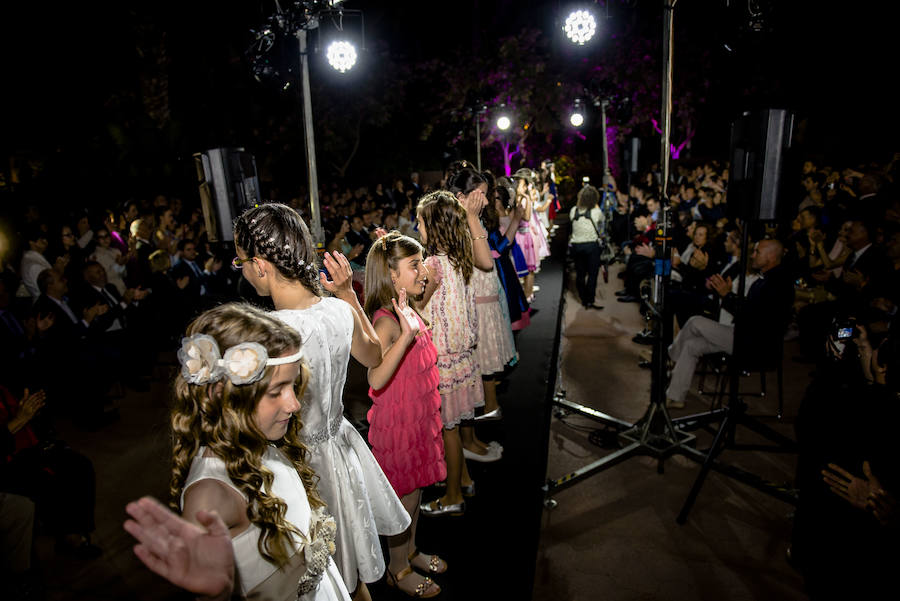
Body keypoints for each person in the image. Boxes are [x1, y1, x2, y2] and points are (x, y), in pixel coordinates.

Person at [232, 203, 409, 600]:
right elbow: (374, 357)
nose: (241, 269)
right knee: (347, 566)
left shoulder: (270, 334)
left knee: (322, 573)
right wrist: (348, 294)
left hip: (299, 467)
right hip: (340, 450)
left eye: (240, 260)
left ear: (261, 265)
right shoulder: (336, 310)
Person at [129, 302, 348, 601]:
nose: (294, 404)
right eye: (276, 391)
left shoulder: (262, 443)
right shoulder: (210, 496)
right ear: (222, 393)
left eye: (293, 386)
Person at [363, 231, 447, 598]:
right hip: (398, 427)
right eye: (414, 265)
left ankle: (410, 550)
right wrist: (405, 335)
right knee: (403, 499)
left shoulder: (406, 309)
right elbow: (376, 377)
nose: (423, 270)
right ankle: (397, 569)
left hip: (418, 420)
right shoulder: (387, 323)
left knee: (416, 494)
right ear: (392, 276)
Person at [416, 190, 498, 518]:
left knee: (447, 429)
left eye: (420, 221)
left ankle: (452, 497)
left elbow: (421, 309)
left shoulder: (431, 265)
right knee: (453, 425)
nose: (416, 225)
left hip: (443, 358)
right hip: (462, 356)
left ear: (433, 225)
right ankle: (463, 479)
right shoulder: (459, 257)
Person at [665, 239, 793, 409]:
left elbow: (754, 317)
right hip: (743, 334)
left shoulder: (778, 283)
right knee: (691, 345)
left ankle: (670, 358)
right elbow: (750, 309)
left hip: (755, 343)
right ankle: (675, 396)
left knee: (695, 322)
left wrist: (728, 296)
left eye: (757, 252)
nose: (753, 256)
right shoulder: (768, 279)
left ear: (770, 256)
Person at [448, 168, 517, 421]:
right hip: (475, 304)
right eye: (481, 195)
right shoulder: (459, 226)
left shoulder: (471, 221)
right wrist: (472, 218)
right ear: (461, 197)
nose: (487, 202)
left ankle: (489, 408)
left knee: (486, 366)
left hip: (486, 300)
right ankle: (485, 411)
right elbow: (486, 262)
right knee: (480, 366)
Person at [569, 185, 605, 310]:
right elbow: (601, 222)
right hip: (591, 246)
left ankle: (583, 298)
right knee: (593, 274)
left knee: (580, 273)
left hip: (577, 246)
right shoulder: (597, 212)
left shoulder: (574, 210)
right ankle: (590, 300)